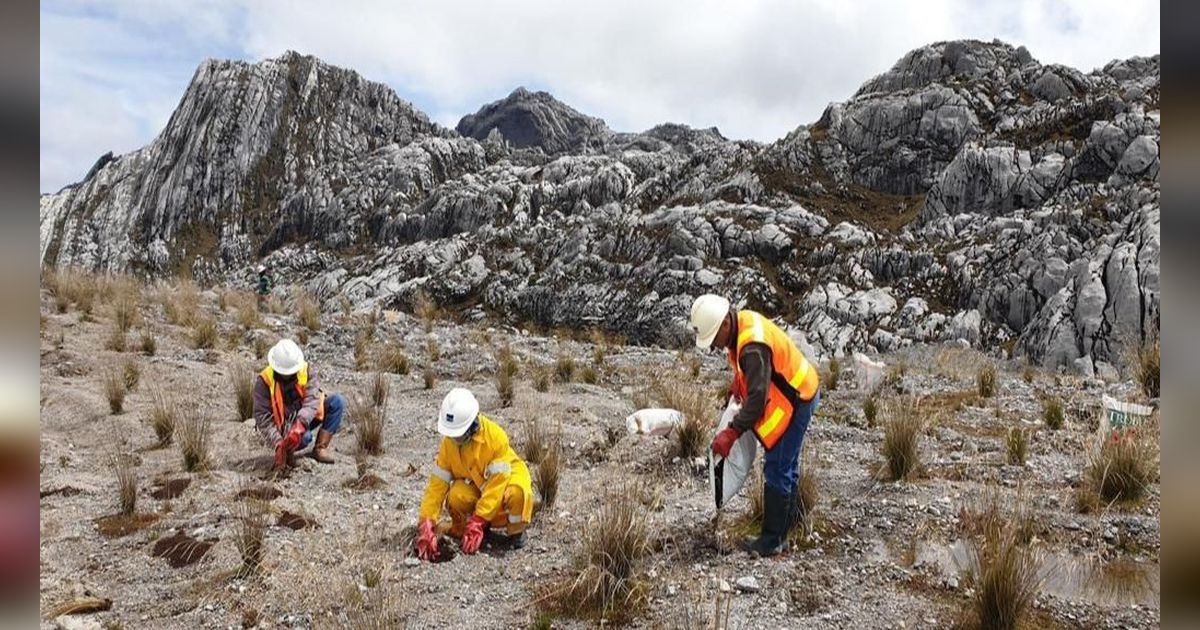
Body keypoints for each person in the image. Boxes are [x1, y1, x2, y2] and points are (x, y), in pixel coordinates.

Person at [690, 294, 821, 557]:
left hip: (796, 400)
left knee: (777, 467)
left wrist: (731, 432)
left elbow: (757, 401)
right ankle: (787, 526)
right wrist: (741, 381)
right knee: (787, 464)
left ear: (726, 323)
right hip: (803, 389)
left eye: (714, 337)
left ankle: (772, 540)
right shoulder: (743, 324)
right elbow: (755, 375)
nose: (715, 346)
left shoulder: (751, 346)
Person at [415, 388, 533, 560]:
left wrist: (479, 519)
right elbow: (436, 486)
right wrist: (426, 522)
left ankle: (516, 533)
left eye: (458, 435)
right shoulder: (449, 445)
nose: (454, 440)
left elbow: (496, 485)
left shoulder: (495, 437)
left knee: (517, 494)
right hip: (480, 486)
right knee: (456, 495)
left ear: (472, 426)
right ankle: (468, 531)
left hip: (506, 482)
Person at [252, 338, 345, 472]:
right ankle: (287, 452)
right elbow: (262, 417)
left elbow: (312, 401)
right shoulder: (264, 382)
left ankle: (320, 448)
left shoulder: (306, 371)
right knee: (305, 438)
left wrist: (300, 425)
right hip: (284, 426)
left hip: (306, 417)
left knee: (337, 402)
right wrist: (278, 443)